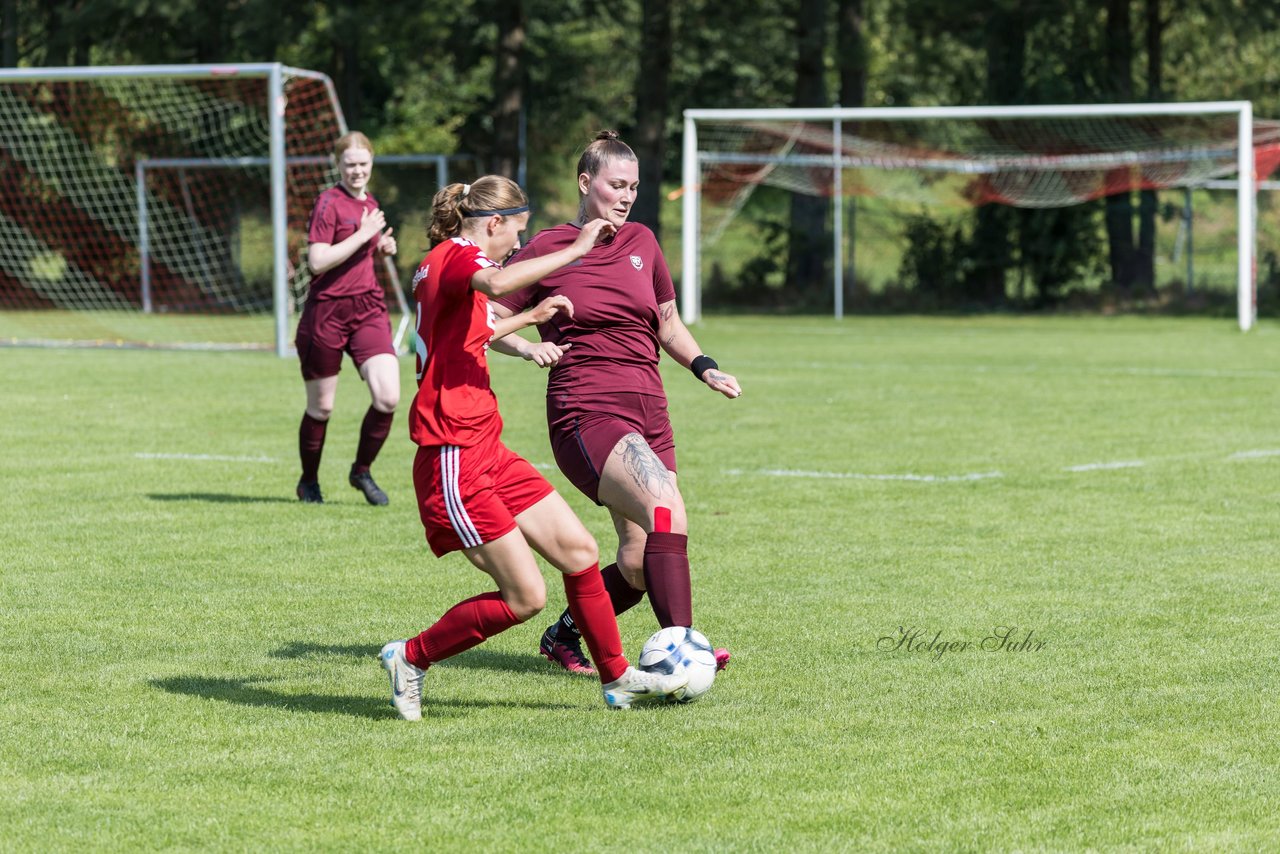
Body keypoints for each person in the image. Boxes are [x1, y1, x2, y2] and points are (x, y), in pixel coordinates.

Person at [378, 176, 687, 720]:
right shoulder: (456, 256)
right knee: (526, 597)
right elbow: (495, 291)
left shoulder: (452, 261)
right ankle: (410, 657)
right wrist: (575, 249)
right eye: (515, 235)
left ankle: (617, 680)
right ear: (493, 223)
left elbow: (475, 330)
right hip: (452, 451)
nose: (517, 247)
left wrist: (526, 337)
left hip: (486, 444)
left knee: (580, 553)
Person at [490, 131, 741, 677]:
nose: (627, 196)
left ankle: (562, 636)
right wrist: (528, 344)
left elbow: (668, 323)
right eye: (616, 185)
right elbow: (486, 318)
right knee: (667, 509)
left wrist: (706, 367)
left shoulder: (644, 243)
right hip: (587, 408)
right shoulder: (550, 246)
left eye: (634, 186)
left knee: (637, 560)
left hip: (650, 407)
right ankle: (683, 649)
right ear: (586, 184)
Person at [294, 131, 400, 506]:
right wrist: (364, 235)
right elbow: (318, 260)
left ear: (371, 163)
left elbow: (362, 249)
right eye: (350, 164)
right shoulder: (328, 203)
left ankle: (362, 471)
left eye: (363, 164)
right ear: (337, 165)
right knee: (321, 407)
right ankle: (309, 481)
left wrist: (383, 246)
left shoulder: (369, 202)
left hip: (368, 309)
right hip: (327, 313)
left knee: (388, 397)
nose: (357, 171)